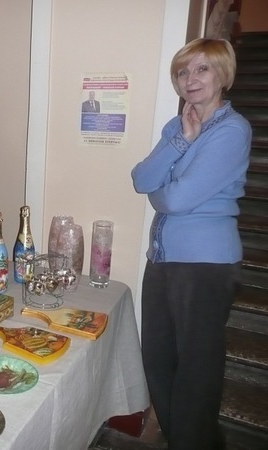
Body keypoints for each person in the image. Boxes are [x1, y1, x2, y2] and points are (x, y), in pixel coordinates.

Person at [131, 38, 251, 450]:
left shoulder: (233, 130)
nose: (190, 79)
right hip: (163, 260)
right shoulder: (177, 125)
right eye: (183, 71)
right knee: (157, 359)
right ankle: (178, 437)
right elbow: (142, 179)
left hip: (205, 265)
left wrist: (163, 192)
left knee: (197, 370)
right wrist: (182, 140)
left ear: (223, 75)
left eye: (202, 69)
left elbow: (175, 198)